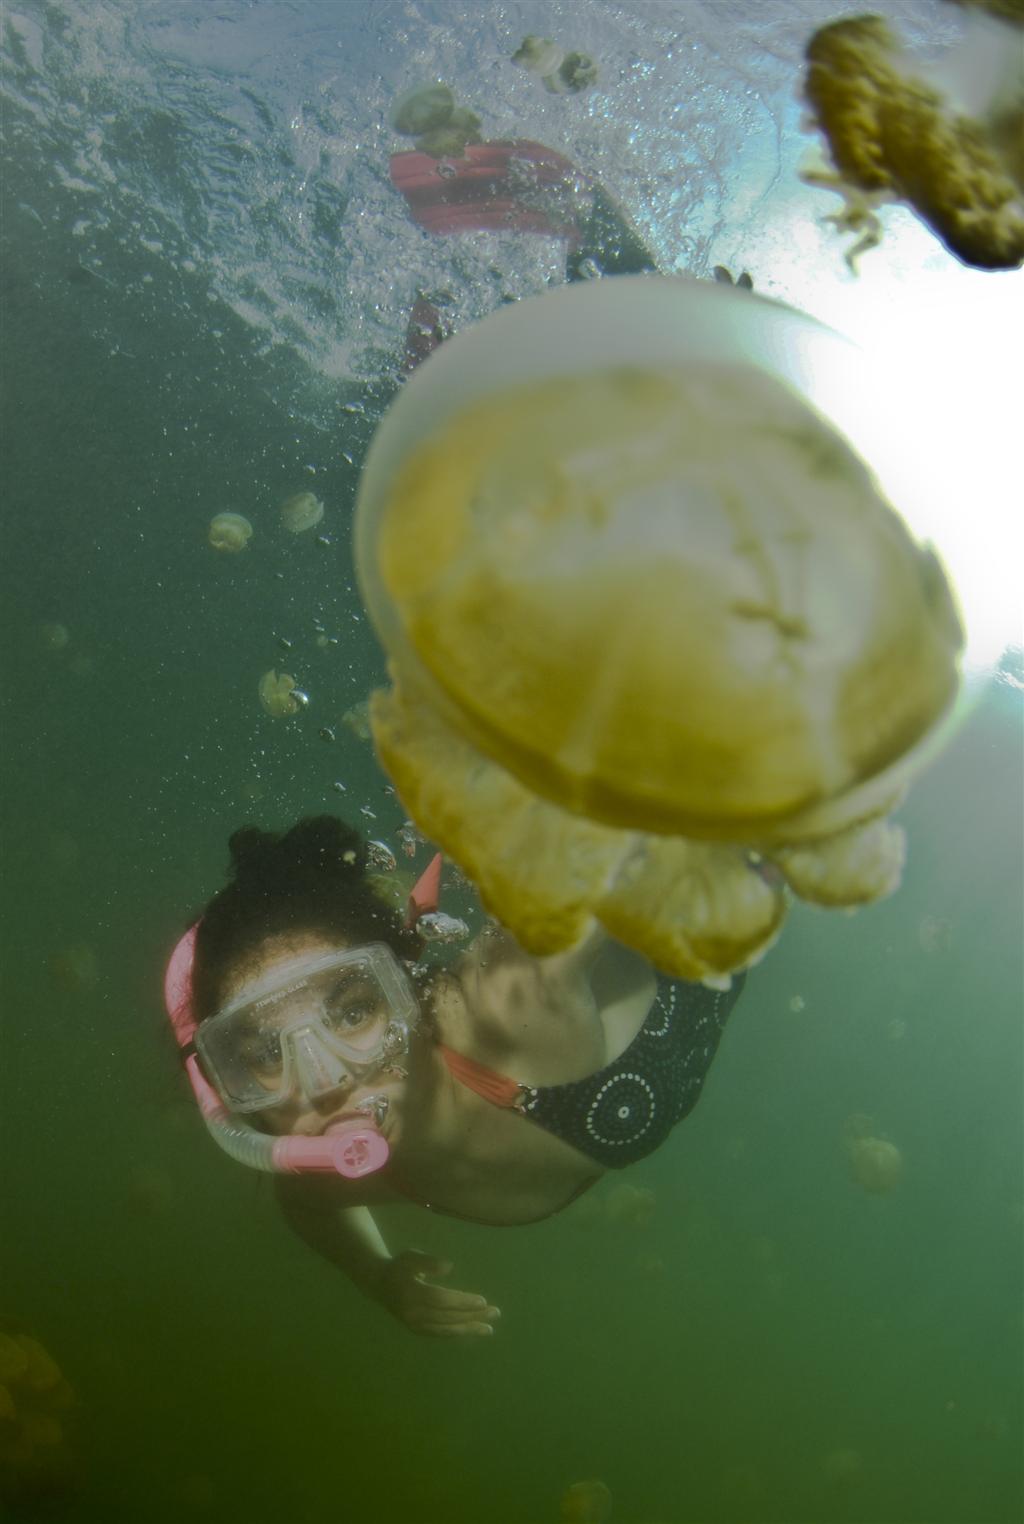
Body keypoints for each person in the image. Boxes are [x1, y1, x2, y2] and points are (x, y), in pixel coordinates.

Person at [166, 816, 746, 1338]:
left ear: (407, 988)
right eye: (267, 1055)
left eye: (352, 1011)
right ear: (224, 1090)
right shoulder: (326, 1173)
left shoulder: (510, 999)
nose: (324, 1079)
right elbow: (306, 1208)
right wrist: (378, 1276)